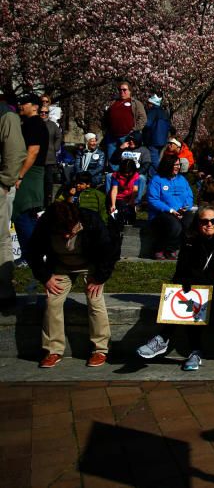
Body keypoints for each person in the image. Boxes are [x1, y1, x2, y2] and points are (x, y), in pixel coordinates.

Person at [135, 206, 214, 371]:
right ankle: (187, 348)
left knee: (195, 299)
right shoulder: (189, 243)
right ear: (197, 223)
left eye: (213, 221)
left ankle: (168, 339)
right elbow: (180, 272)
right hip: (193, 290)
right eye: (204, 221)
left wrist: (192, 281)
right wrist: (187, 283)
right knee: (185, 295)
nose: (209, 224)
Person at [29, 200, 115, 368]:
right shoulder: (45, 224)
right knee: (52, 302)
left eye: (70, 231)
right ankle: (53, 350)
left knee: (95, 300)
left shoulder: (91, 220)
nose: (67, 236)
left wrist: (99, 278)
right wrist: (45, 277)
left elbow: (108, 251)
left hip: (89, 265)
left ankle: (100, 348)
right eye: (62, 232)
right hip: (60, 266)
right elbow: (33, 252)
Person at [12, 93, 48, 253]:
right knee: (27, 215)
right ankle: (35, 256)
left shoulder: (34, 124)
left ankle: (33, 255)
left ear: (35, 106)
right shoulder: (28, 123)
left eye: (24, 103)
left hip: (30, 173)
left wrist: (20, 175)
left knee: (22, 213)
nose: (20, 105)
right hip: (30, 172)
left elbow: (33, 151)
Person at [0, 107, 26, 309]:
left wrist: (4, 181)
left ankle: (4, 291)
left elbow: (16, 151)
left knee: (0, 240)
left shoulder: (6, 115)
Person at [147, 155, 195, 260]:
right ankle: (160, 249)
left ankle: (177, 249)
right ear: (168, 165)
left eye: (178, 165)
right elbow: (153, 200)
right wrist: (170, 210)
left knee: (190, 222)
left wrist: (185, 207)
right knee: (174, 225)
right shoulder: (157, 180)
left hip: (181, 211)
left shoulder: (182, 179)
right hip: (161, 213)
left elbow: (189, 196)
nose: (177, 167)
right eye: (175, 165)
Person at [101, 80, 145, 159]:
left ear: (130, 91)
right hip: (112, 136)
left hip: (127, 136)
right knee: (112, 157)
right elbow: (105, 118)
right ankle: (113, 171)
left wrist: (134, 129)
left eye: (124, 90)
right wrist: (105, 130)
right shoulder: (112, 103)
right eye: (120, 90)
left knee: (125, 157)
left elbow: (143, 118)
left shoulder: (136, 103)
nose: (122, 92)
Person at [108, 158, 142, 225]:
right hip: (119, 197)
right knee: (121, 209)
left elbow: (135, 189)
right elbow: (114, 190)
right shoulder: (116, 176)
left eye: (128, 173)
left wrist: (131, 201)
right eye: (125, 172)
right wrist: (113, 204)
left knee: (131, 214)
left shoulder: (135, 176)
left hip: (130, 197)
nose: (126, 174)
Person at [142, 94, 171, 171]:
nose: (147, 105)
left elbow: (147, 124)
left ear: (152, 103)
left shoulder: (153, 111)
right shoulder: (164, 113)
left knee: (154, 160)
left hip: (153, 140)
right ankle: (152, 178)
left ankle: (164, 172)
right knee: (155, 160)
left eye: (148, 103)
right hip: (162, 141)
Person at [40, 103, 61, 205]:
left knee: (48, 181)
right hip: (35, 158)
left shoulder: (52, 125)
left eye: (46, 112)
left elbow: (59, 137)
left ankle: (47, 202)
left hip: (49, 158)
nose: (43, 114)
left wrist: (55, 147)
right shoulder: (35, 123)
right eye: (42, 112)